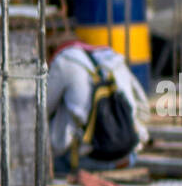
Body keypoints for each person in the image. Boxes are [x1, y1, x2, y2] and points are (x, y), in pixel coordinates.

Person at [47, 41, 149, 174]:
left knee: (46, 163)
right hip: (127, 155)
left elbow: (41, 108)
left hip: (86, 159)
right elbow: (144, 108)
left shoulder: (63, 62)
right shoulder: (115, 60)